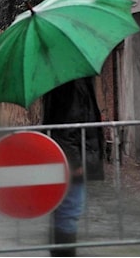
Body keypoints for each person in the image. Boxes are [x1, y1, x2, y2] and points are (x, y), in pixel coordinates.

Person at [42, 77, 105, 256]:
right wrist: (75, 162)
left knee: (66, 211)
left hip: (65, 157)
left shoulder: (68, 81)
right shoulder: (71, 83)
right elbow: (66, 125)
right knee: (69, 211)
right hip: (70, 161)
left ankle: (61, 252)